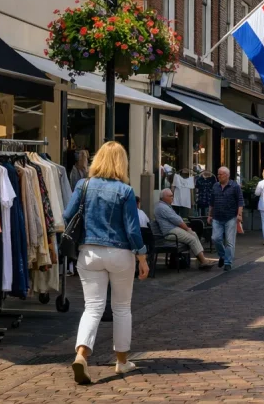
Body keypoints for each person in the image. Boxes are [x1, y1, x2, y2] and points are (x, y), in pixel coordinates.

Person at [63, 141, 148, 385]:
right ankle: (122, 361)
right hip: (120, 254)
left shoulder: (83, 185)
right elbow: (133, 230)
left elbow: (68, 215)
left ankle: (81, 356)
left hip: (89, 252)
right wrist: (142, 256)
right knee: (121, 308)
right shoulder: (125, 190)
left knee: (93, 307)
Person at [153, 189, 216, 269]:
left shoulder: (165, 206)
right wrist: (187, 229)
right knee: (192, 238)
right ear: (164, 197)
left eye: (172, 195)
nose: (172, 197)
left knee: (193, 234)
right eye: (170, 196)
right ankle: (203, 261)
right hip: (170, 232)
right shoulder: (162, 207)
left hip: (173, 229)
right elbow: (177, 221)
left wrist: (189, 230)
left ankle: (201, 260)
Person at [207, 167, 244, 271]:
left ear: (227, 175)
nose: (218, 176)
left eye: (221, 174)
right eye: (218, 174)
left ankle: (228, 262)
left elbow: (240, 201)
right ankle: (223, 255)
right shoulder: (215, 186)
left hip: (230, 217)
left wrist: (239, 214)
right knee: (215, 238)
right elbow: (211, 202)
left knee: (229, 241)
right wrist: (209, 215)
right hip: (217, 217)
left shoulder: (235, 186)